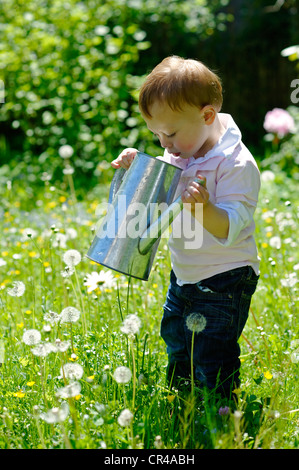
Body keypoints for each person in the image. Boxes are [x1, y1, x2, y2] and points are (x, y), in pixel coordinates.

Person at [111, 56, 260, 401]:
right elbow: (159, 189)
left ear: (207, 116)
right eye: (156, 135)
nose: (165, 144)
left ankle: (219, 413)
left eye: (171, 133)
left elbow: (233, 225)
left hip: (225, 278)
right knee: (177, 339)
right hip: (185, 274)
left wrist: (205, 208)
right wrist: (137, 166)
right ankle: (182, 400)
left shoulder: (235, 162)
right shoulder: (182, 151)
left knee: (212, 352)